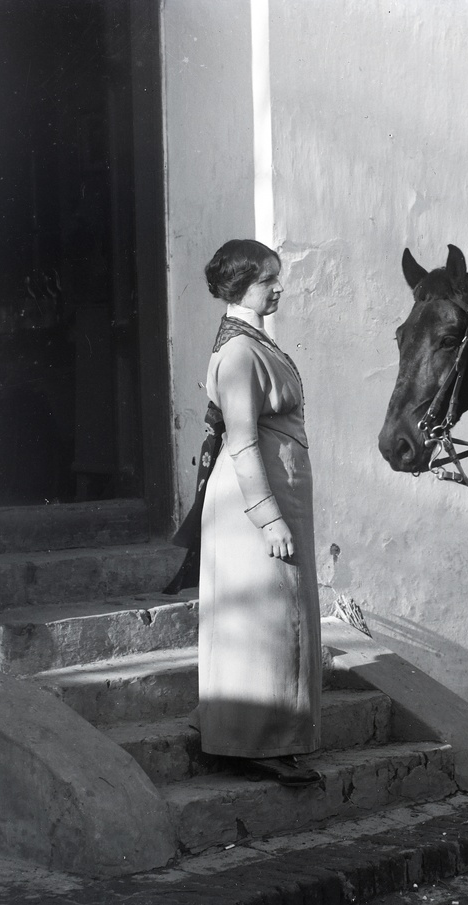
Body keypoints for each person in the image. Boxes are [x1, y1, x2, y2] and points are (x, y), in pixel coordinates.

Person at [191, 239, 321, 785]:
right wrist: (268, 518)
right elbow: (242, 441)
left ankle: (249, 735)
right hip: (252, 502)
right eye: (270, 279)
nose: (279, 287)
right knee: (268, 620)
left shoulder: (250, 342)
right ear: (243, 285)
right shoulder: (241, 352)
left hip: (273, 491)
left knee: (275, 614)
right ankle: (254, 743)